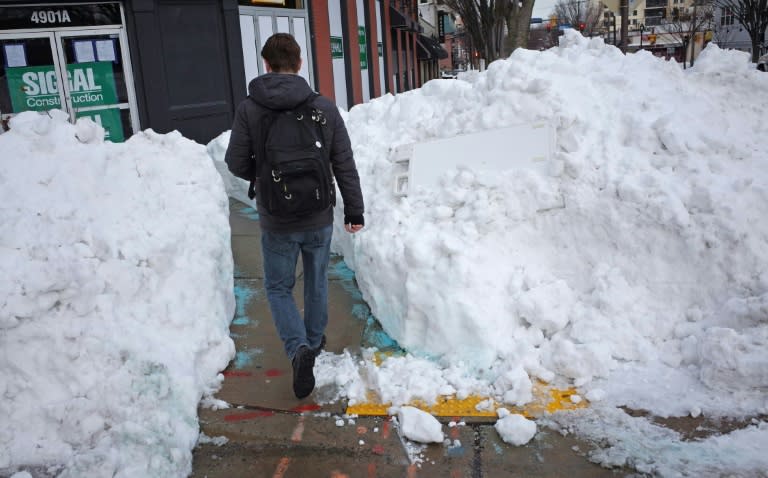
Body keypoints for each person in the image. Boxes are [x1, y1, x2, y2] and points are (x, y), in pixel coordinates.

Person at [224, 33, 365, 399]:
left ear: (266, 65)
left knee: (277, 287)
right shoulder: (324, 108)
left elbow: (235, 162)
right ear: (299, 64)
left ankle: (297, 349)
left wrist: (263, 173)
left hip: (277, 217)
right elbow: (344, 164)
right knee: (317, 280)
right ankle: (313, 343)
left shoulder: (250, 109)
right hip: (318, 214)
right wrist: (355, 210)